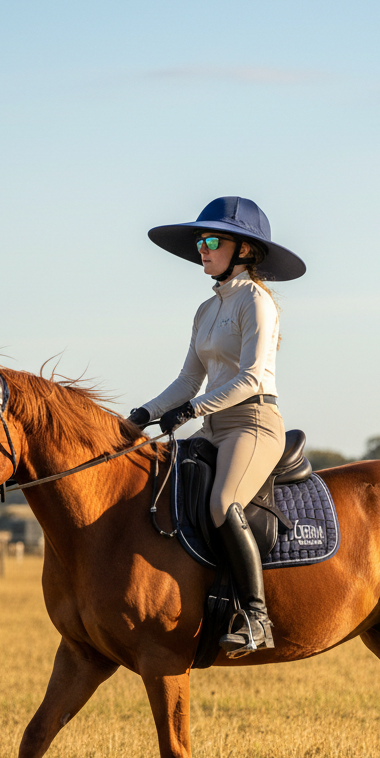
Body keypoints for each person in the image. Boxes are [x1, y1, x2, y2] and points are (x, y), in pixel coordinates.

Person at [128, 196, 306, 656]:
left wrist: (190, 412)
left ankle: (256, 616)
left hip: (254, 421)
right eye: (200, 242)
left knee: (223, 501)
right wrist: (141, 415)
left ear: (244, 250)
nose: (201, 249)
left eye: (211, 240)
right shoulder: (206, 311)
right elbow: (189, 379)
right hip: (212, 424)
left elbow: (249, 378)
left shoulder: (257, 301)